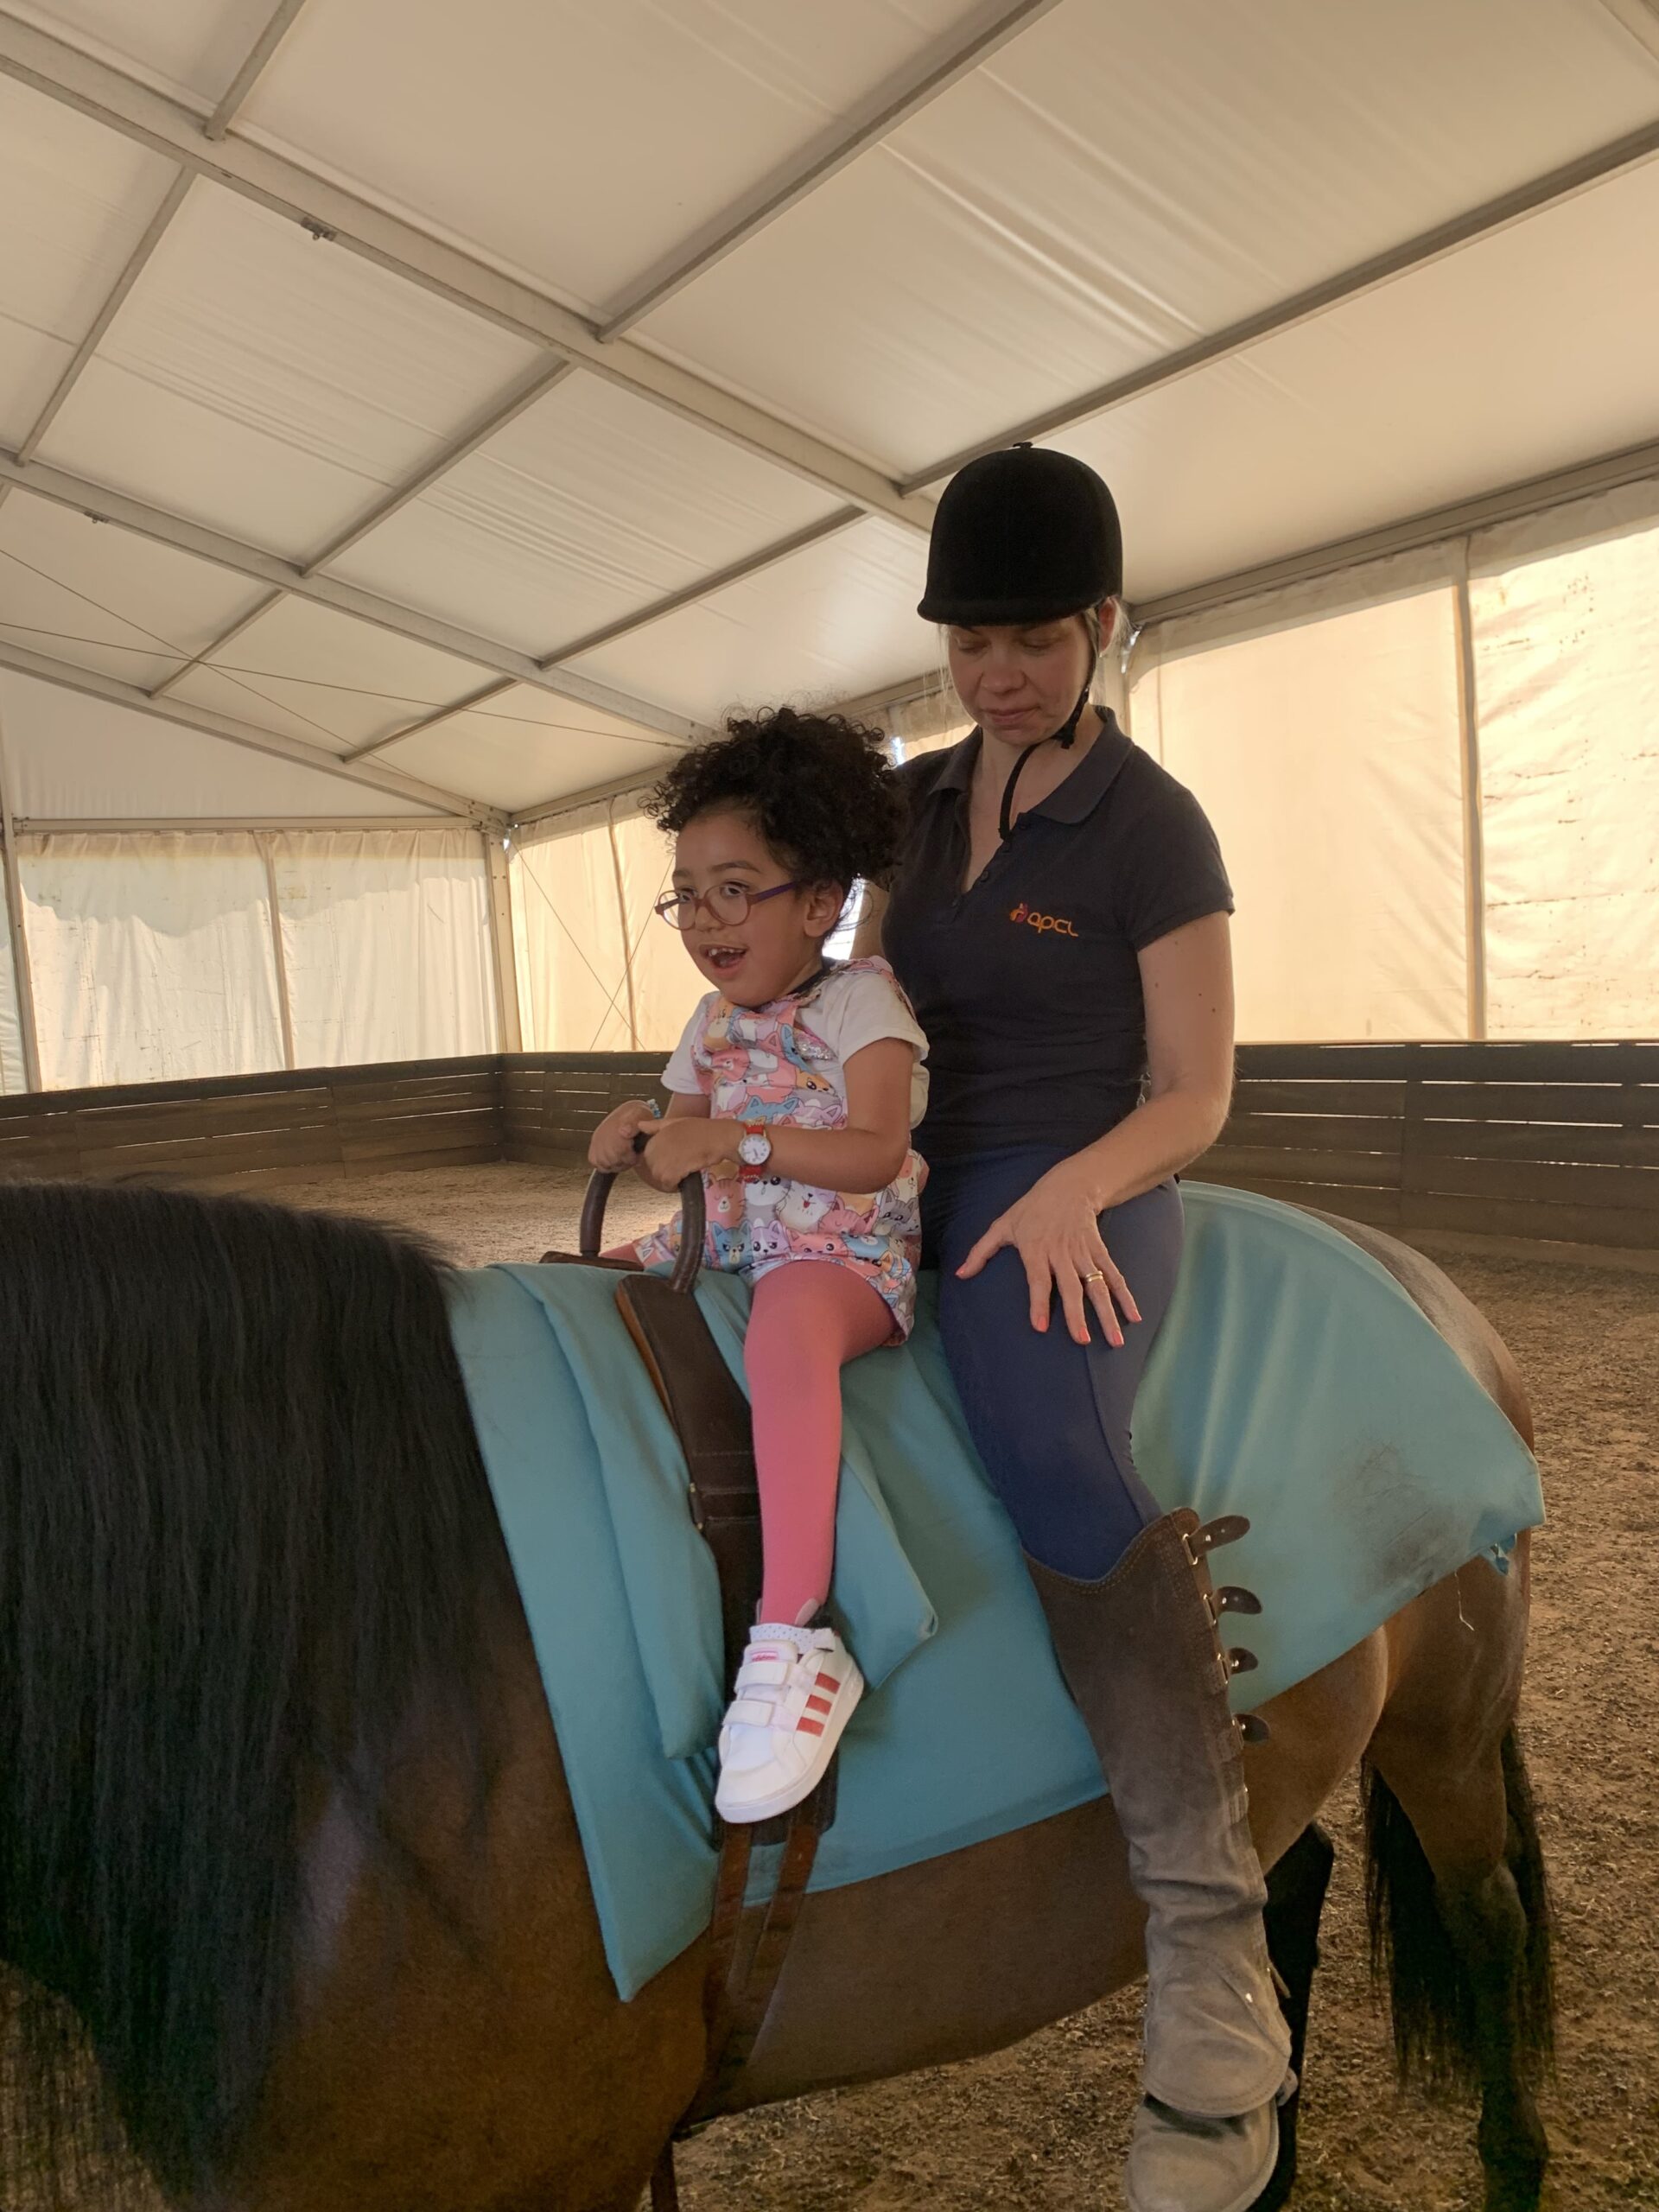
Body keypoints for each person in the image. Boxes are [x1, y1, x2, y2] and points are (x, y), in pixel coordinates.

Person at [855, 444, 1292, 2212]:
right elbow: (856, 996)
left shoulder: (1153, 824)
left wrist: (1066, 1192)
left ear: (1104, 625)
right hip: (908, 1156)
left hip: (1082, 1167)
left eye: (1031, 640)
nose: (997, 674)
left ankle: (1209, 1928)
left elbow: (1197, 1091)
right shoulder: (909, 804)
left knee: (1050, 1436)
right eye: (970, 642)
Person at [588, 708, 928, 1826]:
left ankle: (795, 1632)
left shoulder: (863, 1002)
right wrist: (633, 1137)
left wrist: (737, 1142)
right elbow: (678, 1146)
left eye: (736, 891)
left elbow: (875, 1151)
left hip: (840, 1250)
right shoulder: (708, 1020)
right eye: (687, 894)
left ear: (821, 902)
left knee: (785, 1337)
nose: (705, 919)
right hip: (732, 1235)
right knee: (583, 1287)